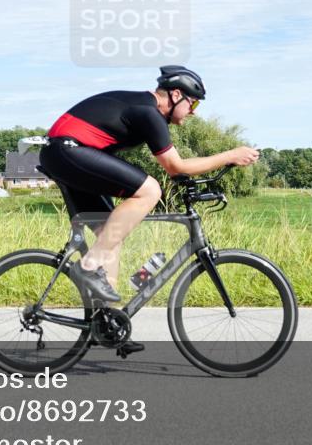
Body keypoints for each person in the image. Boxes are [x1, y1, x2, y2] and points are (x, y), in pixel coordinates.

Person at [38, 66, 260, 304]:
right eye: (193, 104)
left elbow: (177, 170)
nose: (193, 112)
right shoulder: (149, 112)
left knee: (111, 233)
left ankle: (106, 323)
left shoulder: (145, 108)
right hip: (68, 150)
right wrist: (230, 156)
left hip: (65, 154)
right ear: (176, 95)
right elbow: (176, 166)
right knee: (150, 190)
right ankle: (88, 267)